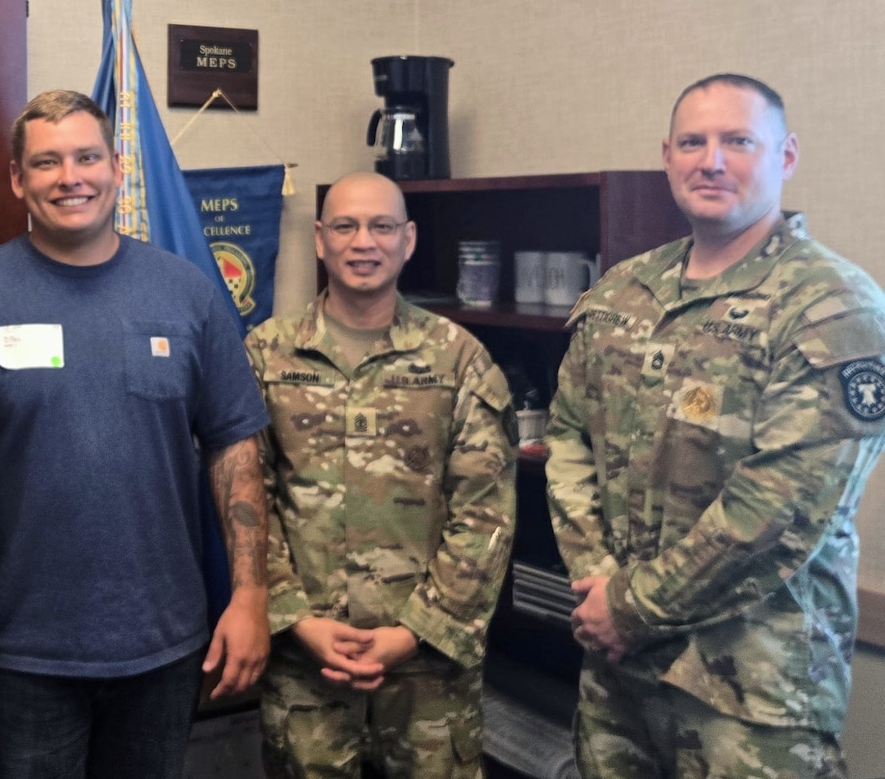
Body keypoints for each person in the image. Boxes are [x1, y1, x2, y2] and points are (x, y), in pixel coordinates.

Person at [0, 90, 270, 779]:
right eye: (46, 162)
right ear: (18, 179)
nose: (69, 177)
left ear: (116, 168)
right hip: (16, 651)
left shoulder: (188, 293)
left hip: (163, 645)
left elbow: (235, 445)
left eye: (86, 157)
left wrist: (251, 594)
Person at [547, 74, 885, 778]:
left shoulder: (832, 306)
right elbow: (569, 433)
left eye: (738, 141)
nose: (713, 160)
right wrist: (596, 582)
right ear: (667, 156)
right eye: (693, 142)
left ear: (785, 155)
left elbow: (783, 506)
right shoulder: (621, 291)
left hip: (751, 694)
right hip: (617, 673)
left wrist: (632, 606)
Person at [246, 172, 514, 778]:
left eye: (382, 226)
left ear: (408, 239)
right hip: (307, 658)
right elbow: (246, 502)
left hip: (428, 668)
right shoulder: (266, 353)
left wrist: (415, 631)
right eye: (345, 226)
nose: (363, 241)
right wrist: (298, 618)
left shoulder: (458, 358)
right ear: (320, 239)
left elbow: (486, 510)